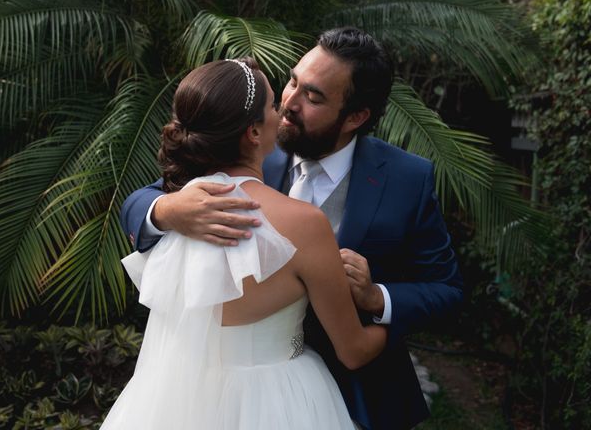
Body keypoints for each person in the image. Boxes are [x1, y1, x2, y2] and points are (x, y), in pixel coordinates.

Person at [121, 28, 463, 429]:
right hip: (231, 396)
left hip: (359, 396)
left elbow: (447, 290)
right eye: (291, 82)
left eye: (313, 97)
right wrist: (168, 208)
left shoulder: (408, 178)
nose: (288, 104)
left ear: (356, 116)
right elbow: (139, 202)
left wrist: (377, 299)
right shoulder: (245, 144)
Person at [103, 58, 387, 429]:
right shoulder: (303, 224)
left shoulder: (185, 205)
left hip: (177, 399)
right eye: (273, 104)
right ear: (254, 132)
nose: (284, 108)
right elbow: (353, 351)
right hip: (281, 400)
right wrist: (390, 313)